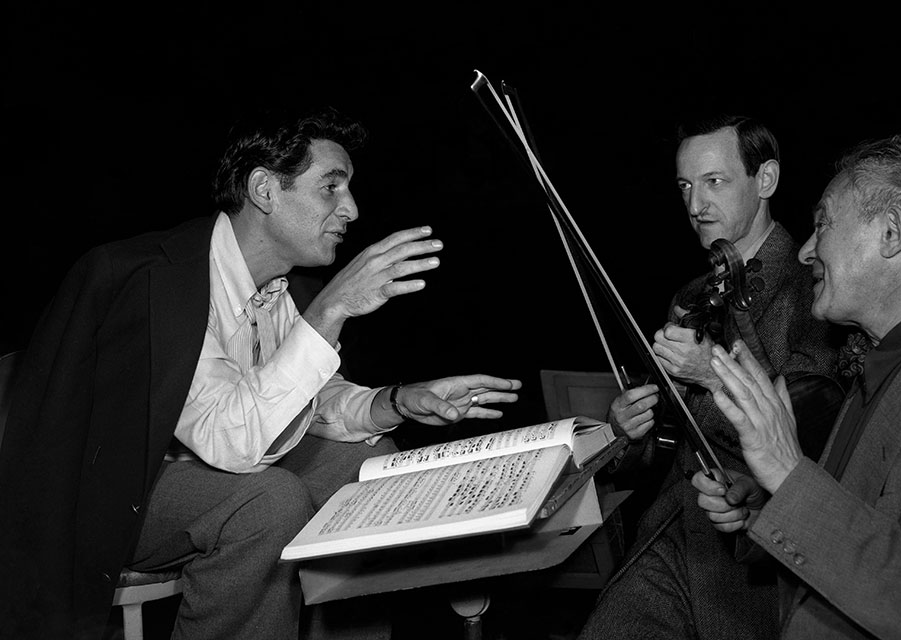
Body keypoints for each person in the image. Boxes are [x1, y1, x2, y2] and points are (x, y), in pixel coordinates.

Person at [0, 106, 523, 640]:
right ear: (265, 190)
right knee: (269, 501)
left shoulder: (281, 289)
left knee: (369, 466)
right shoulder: (156, 278)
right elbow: (233, 439)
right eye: (331, 187)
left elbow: (302, 402)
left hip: (212, 475)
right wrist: (330, 312)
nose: (352, 209)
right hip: (113, 496)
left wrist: (395, 401)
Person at [577, 115, 845, 639]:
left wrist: (713, 373)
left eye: (715, 182)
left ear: (764, 180)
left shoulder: (816, 284)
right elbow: (665, 442)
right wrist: (629, 427)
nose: (696, 205)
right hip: (670, 531)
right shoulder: (691, 296)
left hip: (758, 547)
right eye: (685, 186)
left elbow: (818, 429)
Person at [695, 129, 901, 639]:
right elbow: (873, 520)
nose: (805, 250)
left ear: (890, 234)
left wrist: (789, 471)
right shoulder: (889, 359)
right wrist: (773, 503)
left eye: (823, 224)